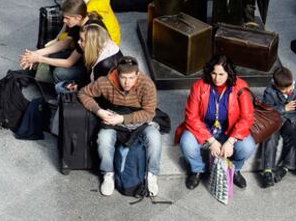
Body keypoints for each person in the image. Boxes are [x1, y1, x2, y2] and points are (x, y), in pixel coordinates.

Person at [78, 56, 161, 196]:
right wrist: (99, 111)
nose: (127, 82)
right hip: (112, 117)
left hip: (138, 120)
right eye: (123, 78)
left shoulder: (147, 85)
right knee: (103, 140)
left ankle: (152, 175)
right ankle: (108, 174)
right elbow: (83, 93)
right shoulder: (105, 82)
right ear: (117, 73)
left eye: (131, 78)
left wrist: (123, 119)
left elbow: (149, 113)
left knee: (155, 138)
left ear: (137, 74)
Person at [175, 54, 255, 190]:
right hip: (204, 129)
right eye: (213, 73)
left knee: (248, 146)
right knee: (186, 142)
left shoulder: (240, 86)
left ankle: (234, 169)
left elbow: (247, 117)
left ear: (229, 73)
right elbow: (191, 117)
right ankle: (198, 169)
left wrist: (230, 142)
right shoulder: (199, 86)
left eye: (221, 74)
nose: (217, 78)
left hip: (230, 131)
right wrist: (211, 141)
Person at [20, 0, 106, 86]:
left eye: (67, 18)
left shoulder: (88, 32)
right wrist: (36, 53)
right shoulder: (79, 22)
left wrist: (39, 58)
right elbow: (65, 43)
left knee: (59, 73)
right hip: (84, 58)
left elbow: (69, 62)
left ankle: (66, 95)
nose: (64, 21)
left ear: (78, 17)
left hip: (92, 70)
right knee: (54, 56)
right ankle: (62, 85)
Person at [56, 23, 122, 93]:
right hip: (92, 81)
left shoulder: (104, 65)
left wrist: (77, 87)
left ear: (91, 43)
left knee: (59, 87)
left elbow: (96, 90)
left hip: (99, 97)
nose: (78, 42)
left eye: (82, 40)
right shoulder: (106, 44)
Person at [261, 67, 296, 188]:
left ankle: (286, 167)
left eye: (290, 87)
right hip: (275, 120)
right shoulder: (269, 91)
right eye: (284, 89)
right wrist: (283, 108)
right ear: (276, 86)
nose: (289, 91)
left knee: (294, 134)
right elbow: (266, 111)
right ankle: (267, 171)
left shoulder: (293, 87)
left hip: (290, 120)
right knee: (270, 137)